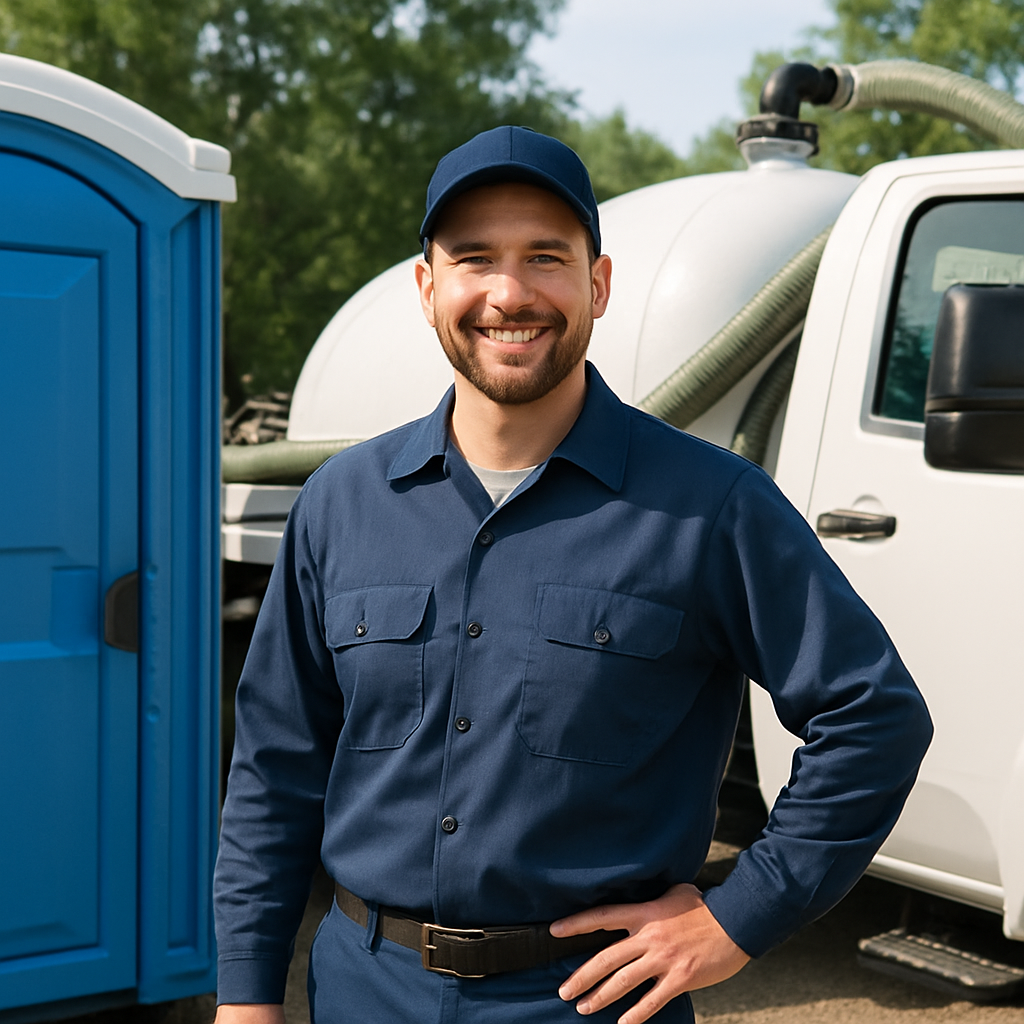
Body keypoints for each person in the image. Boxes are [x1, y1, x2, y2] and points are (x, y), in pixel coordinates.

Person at [213, 126, 932, 1024]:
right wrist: (245, 994)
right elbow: (276, 770)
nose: (509, 293)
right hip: (366, 992)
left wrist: (738, 917)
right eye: (474, 258)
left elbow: (874, 716)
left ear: (597, 284)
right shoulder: (340, 504)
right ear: (429, 287)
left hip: (589, 1003)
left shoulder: (712, 507)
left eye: (545, 257)